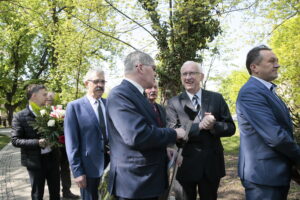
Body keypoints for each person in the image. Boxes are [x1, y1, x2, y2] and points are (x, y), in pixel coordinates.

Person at [106, 51, 186, 200]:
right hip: (135, 185)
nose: (155, 73)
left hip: (148, 181)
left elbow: (150, 130)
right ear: (140, 68)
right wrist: (174, 133)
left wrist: (165, 148)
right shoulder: (120, 94)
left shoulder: (138, 95)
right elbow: (137, 135)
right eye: (154, 68)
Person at [236, 45, 300, 199]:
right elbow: (275, 136)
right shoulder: (251, 92)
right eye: (271, 61)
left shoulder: (267, 90)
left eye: (277, 61)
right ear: (254, 67)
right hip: (262, 177)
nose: (277, 65)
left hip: (275, 173)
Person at [166, 61, 236, 200]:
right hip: (185, 164)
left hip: (211, 164)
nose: (188, 77)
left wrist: (214, 126)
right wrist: (199, 126)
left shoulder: (217, 98)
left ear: (201, 76)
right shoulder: (174, 102)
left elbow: (231, 128)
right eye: (184, 74)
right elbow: (171, 131)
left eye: (192, 73)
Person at [64, 68, 109, 200]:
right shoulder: (74, 107)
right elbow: (71, 143)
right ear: (86, 84)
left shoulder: (109, 104)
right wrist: (77, 172)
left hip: (111, 165)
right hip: (89, 169)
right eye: (96, 81)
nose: (100, 85)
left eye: (103, 81)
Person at [11, 84, 60, 200]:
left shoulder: (50, 113)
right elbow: (15, 140)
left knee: (56, 194)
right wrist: (37, 142)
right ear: (34, 96)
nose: (47, 97)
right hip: (35, 162)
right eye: (44, 94)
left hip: (53, 159)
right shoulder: (20, 116)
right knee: (37, 195)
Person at [46, 92, 79, 199]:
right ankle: (55, 194)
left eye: (52, 99)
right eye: (48, 99)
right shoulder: (42, 113)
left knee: (65, 169)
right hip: (50, 148)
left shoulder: (60, 110)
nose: (50, 101)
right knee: (54, 171)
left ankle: (66, 191)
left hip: (63, 146)